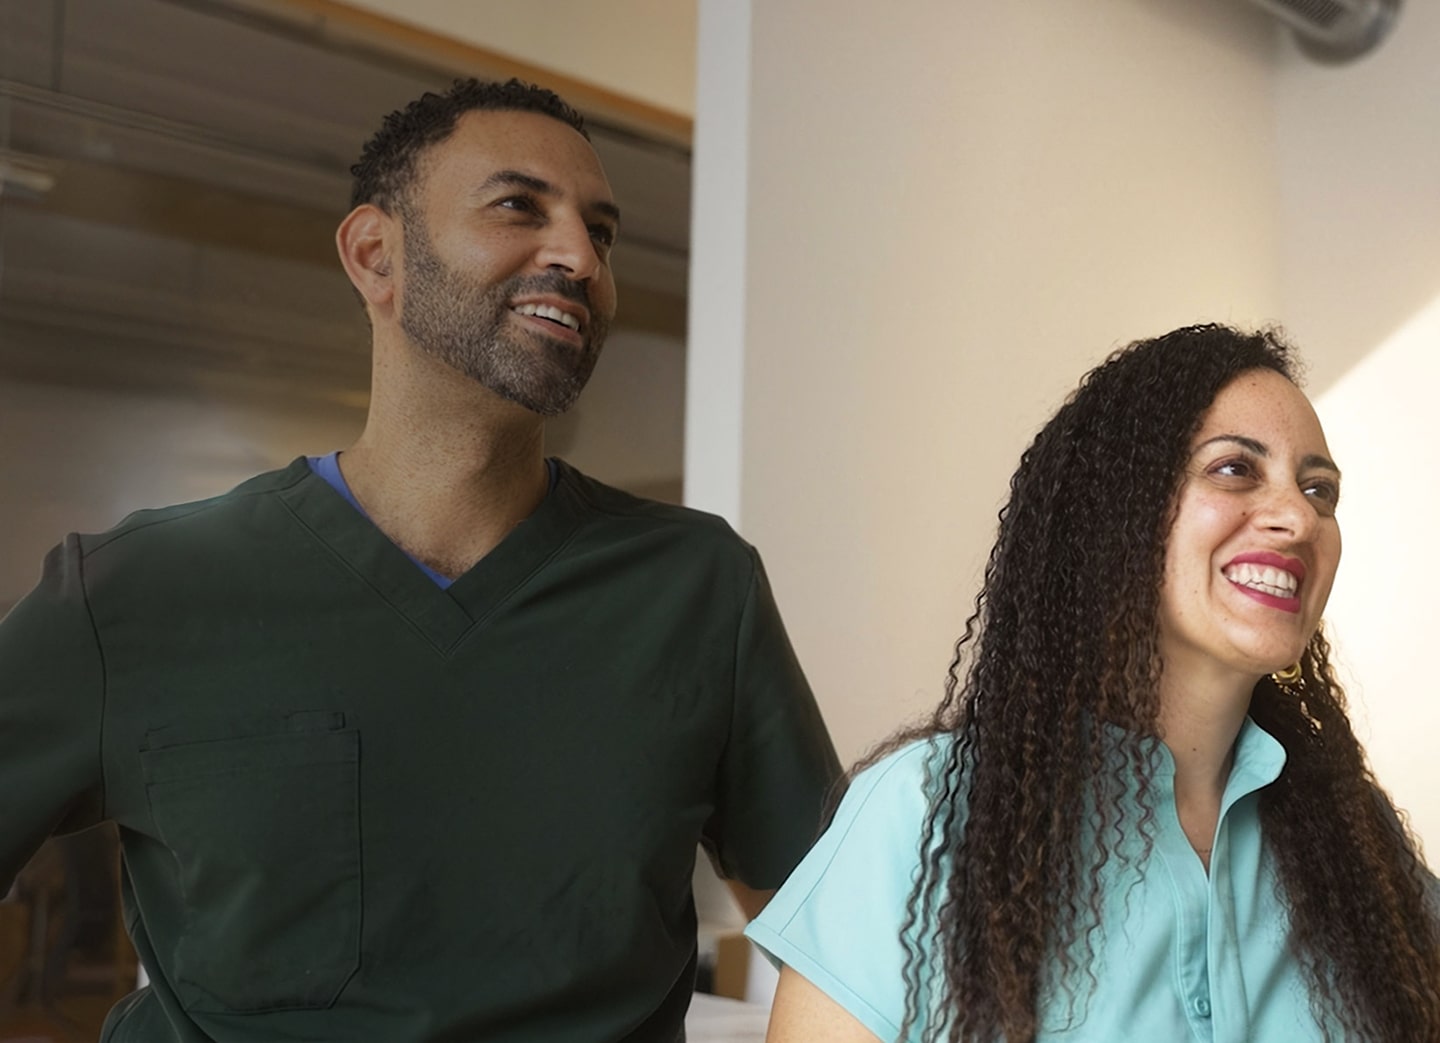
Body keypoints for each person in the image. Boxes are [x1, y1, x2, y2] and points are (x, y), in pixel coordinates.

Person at [0, 78, 840, 1042]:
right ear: (374, 256)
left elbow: (843, 951)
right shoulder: (133, 592)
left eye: (600, 232)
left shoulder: (698, 589)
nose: (579, 256)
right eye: (520, 206)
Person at [746, 325, 1440, 1042]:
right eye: (1235, 469)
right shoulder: (919, 815)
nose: (1298, 516)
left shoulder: (1359, 843)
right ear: (1119, 511)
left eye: (1319, 489)